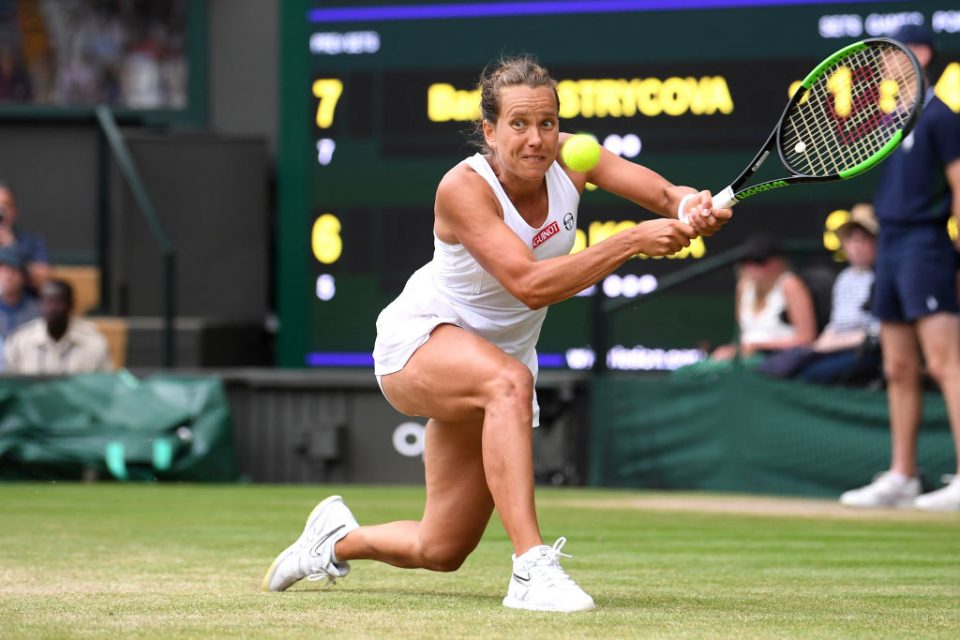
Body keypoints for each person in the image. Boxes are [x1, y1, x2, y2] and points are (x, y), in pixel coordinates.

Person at [261, 56, 732, 612]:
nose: (537, 139)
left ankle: (331, 541)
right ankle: (531, 566)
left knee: (441, 547)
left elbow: (661, 195)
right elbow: (530, 285)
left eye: (548, 123)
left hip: (495, 364)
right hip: (420, 344)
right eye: (519, 125)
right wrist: (628, 242)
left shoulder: (574, 158)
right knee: (509, 382)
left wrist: (690, 205)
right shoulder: (463, 189)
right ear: (489, 131)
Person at [840, 25, 960, 511]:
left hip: (926, 245)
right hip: (890, 245)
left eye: (895, 52)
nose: (886, 61)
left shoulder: (942, 119)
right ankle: (903, 475)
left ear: (923, 54)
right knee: (897, 366)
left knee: (946, 364)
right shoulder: (890, 122)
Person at [756, 204, 881, 384]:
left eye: (864, 239)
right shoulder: (844, 279)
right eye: (851, 239)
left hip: (866, 353)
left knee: (811, 375)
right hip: (835, 350)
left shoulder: (884, 276)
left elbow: (879, 332)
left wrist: (832, 345)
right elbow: (836, 324)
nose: (857, 246)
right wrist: (818, 347)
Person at [709, 234, 817, 362]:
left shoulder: (790, 285)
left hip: (780, 360)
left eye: (759, 261)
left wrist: (757, 347)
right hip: (745, 358)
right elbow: (741, 335)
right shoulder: (743, 286)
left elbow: (806, 339)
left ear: (777, 262)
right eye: (746, 261)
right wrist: (733, 350)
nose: (751, 267)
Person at [3, 278, 113, 374]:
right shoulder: (20, 340)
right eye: (47, 302)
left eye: (58, 302)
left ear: (71, 304)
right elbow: (10, 387)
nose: (52, 308)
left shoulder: (93, 342)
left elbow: (105, 387)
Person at [0, 182, 51, 291]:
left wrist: (12, 246)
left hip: (25, 305)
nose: (1, 212)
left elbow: (44, 282)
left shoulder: (32, 242)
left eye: (5, 206)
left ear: (14, 212)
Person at [0, 246, 40, 341]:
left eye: (14, 271)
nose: (8, 276)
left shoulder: (37, 310)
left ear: (24, 276)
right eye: (4, 270)